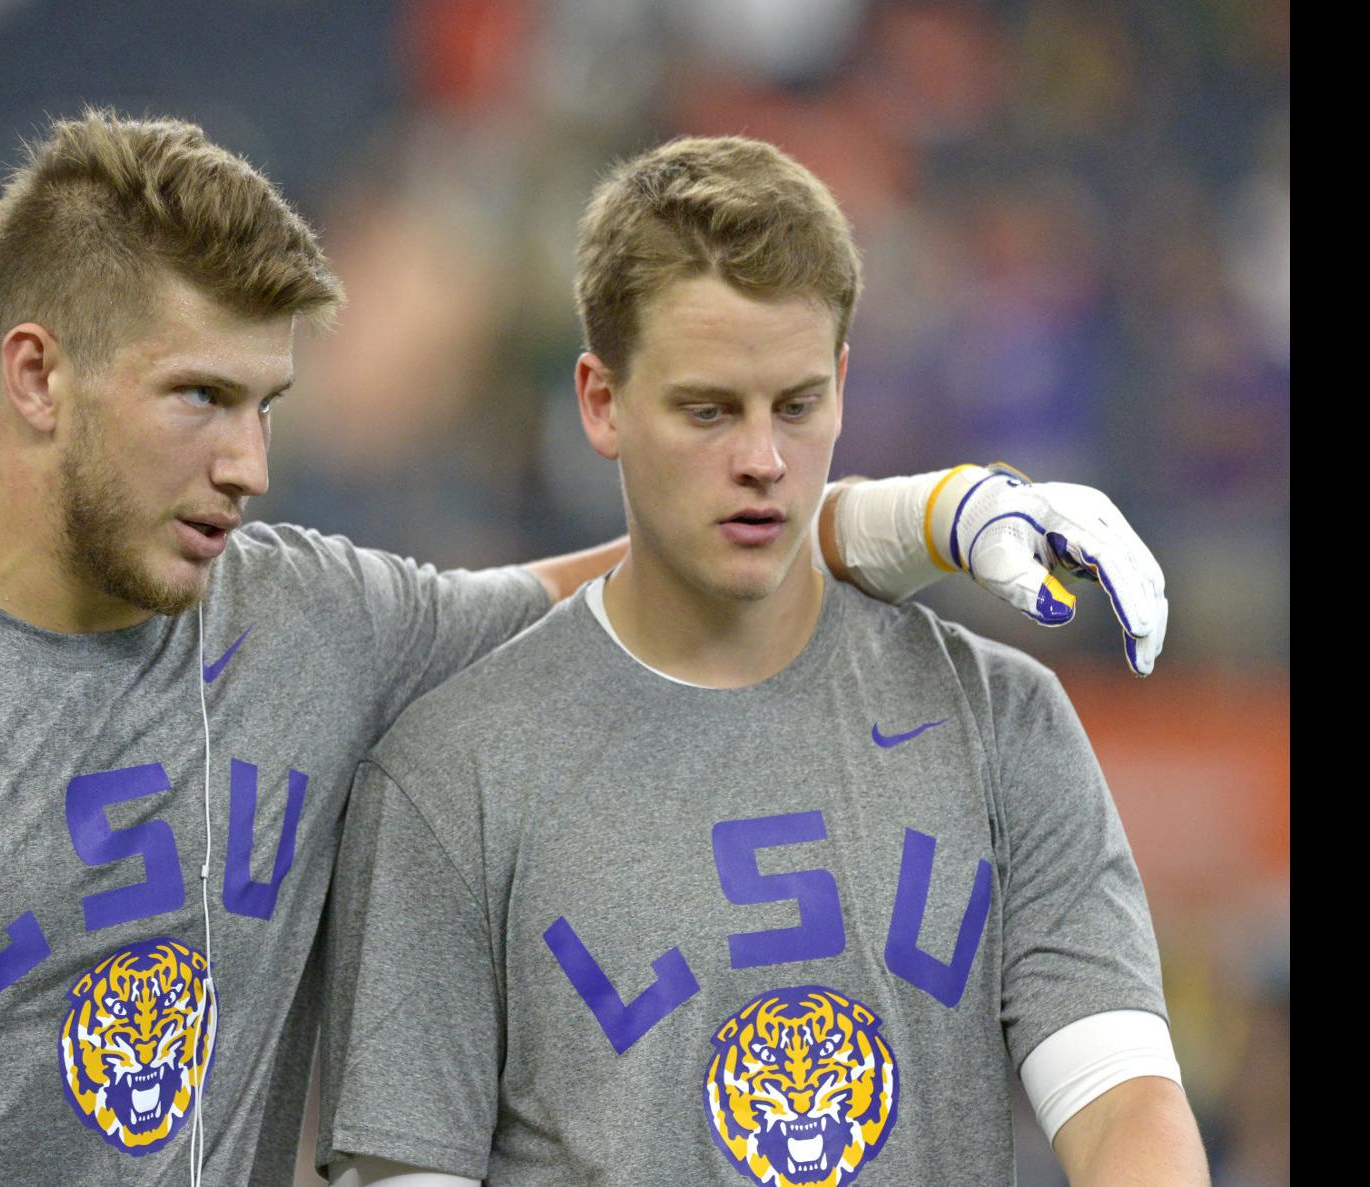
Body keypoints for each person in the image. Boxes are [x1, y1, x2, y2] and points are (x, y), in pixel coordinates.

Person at [0, 112, 1163, 1185]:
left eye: (266, 402)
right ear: (36, 375)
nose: (249, 464)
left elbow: (638, 575)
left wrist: (915, 513)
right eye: (198, 398)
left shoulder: (302, 621)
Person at [317, 136, 1205, 1186]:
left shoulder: (1002, 716)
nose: (760, 460)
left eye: (794, 405)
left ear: (840, 381)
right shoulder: (449, 776)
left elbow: (1125, 1105)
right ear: (599, 401)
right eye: (706, 410)